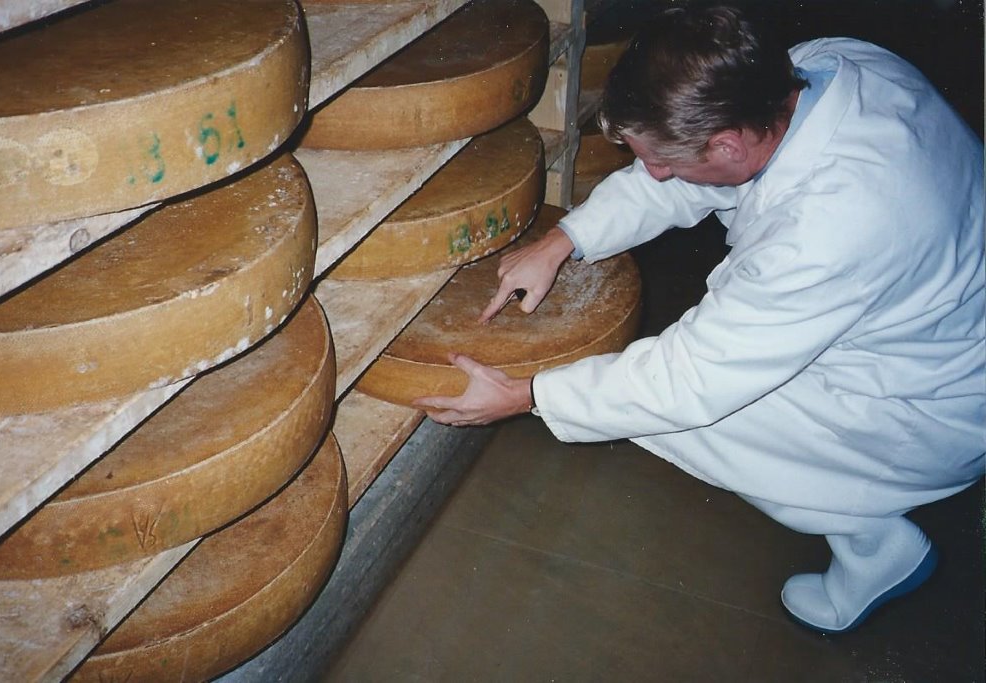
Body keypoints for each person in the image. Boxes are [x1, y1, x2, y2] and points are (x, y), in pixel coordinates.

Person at [413, 4, 985, 634]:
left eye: (661, 160)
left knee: (687, 415)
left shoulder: (828, 229)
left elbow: (689, 380)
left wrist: (526, 396)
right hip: (922, 320)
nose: (653, 172)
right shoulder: (827, 69)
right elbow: (688, 175)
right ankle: (872, 536)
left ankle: (874, 544)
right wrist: (566, 239)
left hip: (935, 402)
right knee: (661, 386)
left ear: (727, 144)